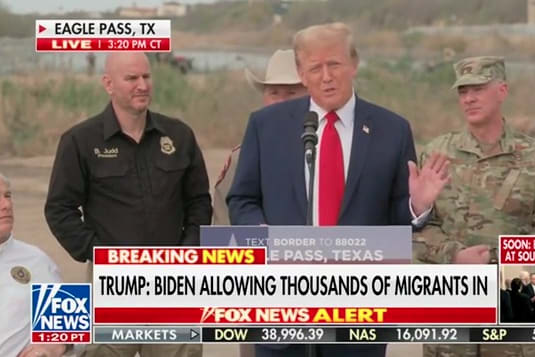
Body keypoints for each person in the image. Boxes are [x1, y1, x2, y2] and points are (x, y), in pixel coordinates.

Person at [228, 22, 449, 357]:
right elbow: (242, 199)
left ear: (354, 64)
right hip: (283, 305)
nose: (326, 76)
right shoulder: (265, 126)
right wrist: (258, 234)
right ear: (302, 74)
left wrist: (416, 206)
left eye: (334, 64)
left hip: (359, 313)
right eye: (315, 68)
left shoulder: (392, 130)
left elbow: (395, 220)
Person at [44, 53, 211, 357]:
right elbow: (59, 208)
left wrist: (187, 251)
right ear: (108, 83)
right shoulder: (80, 141)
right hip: (112, 284)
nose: (142, 85)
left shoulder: (179, 135)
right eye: (131, 78)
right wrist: (98, 254)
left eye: (146, 77)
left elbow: (199, 201)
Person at [414, 56, 535, 357]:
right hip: (451, 313)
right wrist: (454, 255)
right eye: (462, 91)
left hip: (511, 313)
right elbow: (418, 228)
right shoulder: (436, 154)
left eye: (478, 89)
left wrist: (490, 261)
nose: (469, 98)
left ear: (502, 90)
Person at [213, 49, 307, 225]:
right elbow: (224, 226)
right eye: (274, 93)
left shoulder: (332, 150)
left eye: (291, 93)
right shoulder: (241, 158)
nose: (281, 102)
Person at [0, 173, 66, 357]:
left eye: (7, 196)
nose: (6, 205)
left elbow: (69, 330)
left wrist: (54, 346)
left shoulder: (36, 260)